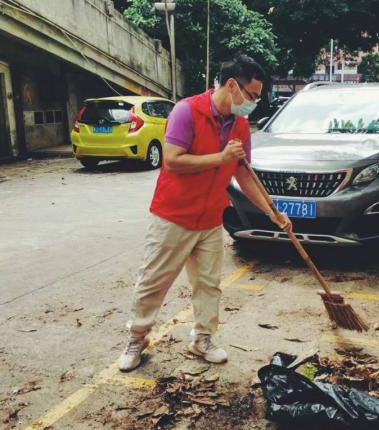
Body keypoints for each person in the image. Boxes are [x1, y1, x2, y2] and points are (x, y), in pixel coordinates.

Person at [118, 55, 292, 371]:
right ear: (231, 85)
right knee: (154, 281)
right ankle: (137, 338)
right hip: (173, 216)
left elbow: (243, 174)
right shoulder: (187, 111)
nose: (252, 104)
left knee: (208, 284)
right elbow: (172, 160)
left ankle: (203, 338)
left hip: (211, 218)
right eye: (251, 96)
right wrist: (220, 156)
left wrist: (272, 212)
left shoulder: (240, 124)